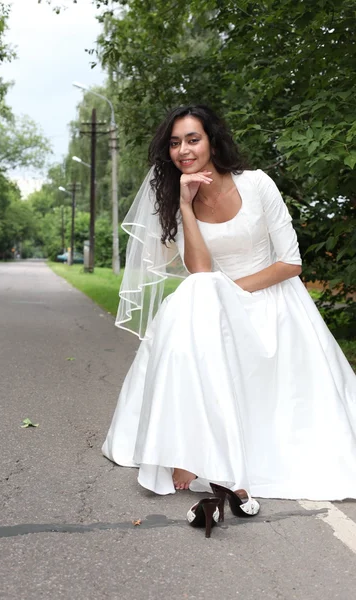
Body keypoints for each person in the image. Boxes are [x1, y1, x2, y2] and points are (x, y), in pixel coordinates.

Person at [102, 104, 356, 503]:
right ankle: (186, 444)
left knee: (201, 294)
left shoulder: (256, 184)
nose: (183, 150)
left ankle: (196, 449)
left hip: (270, 299)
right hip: (213, 306)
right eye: (174, 143)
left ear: (212, 141)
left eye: (192, 139)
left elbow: (291, 263)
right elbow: (200, 269)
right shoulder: (174, 200)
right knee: (197, 291)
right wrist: (186, 205)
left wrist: (228, 293)